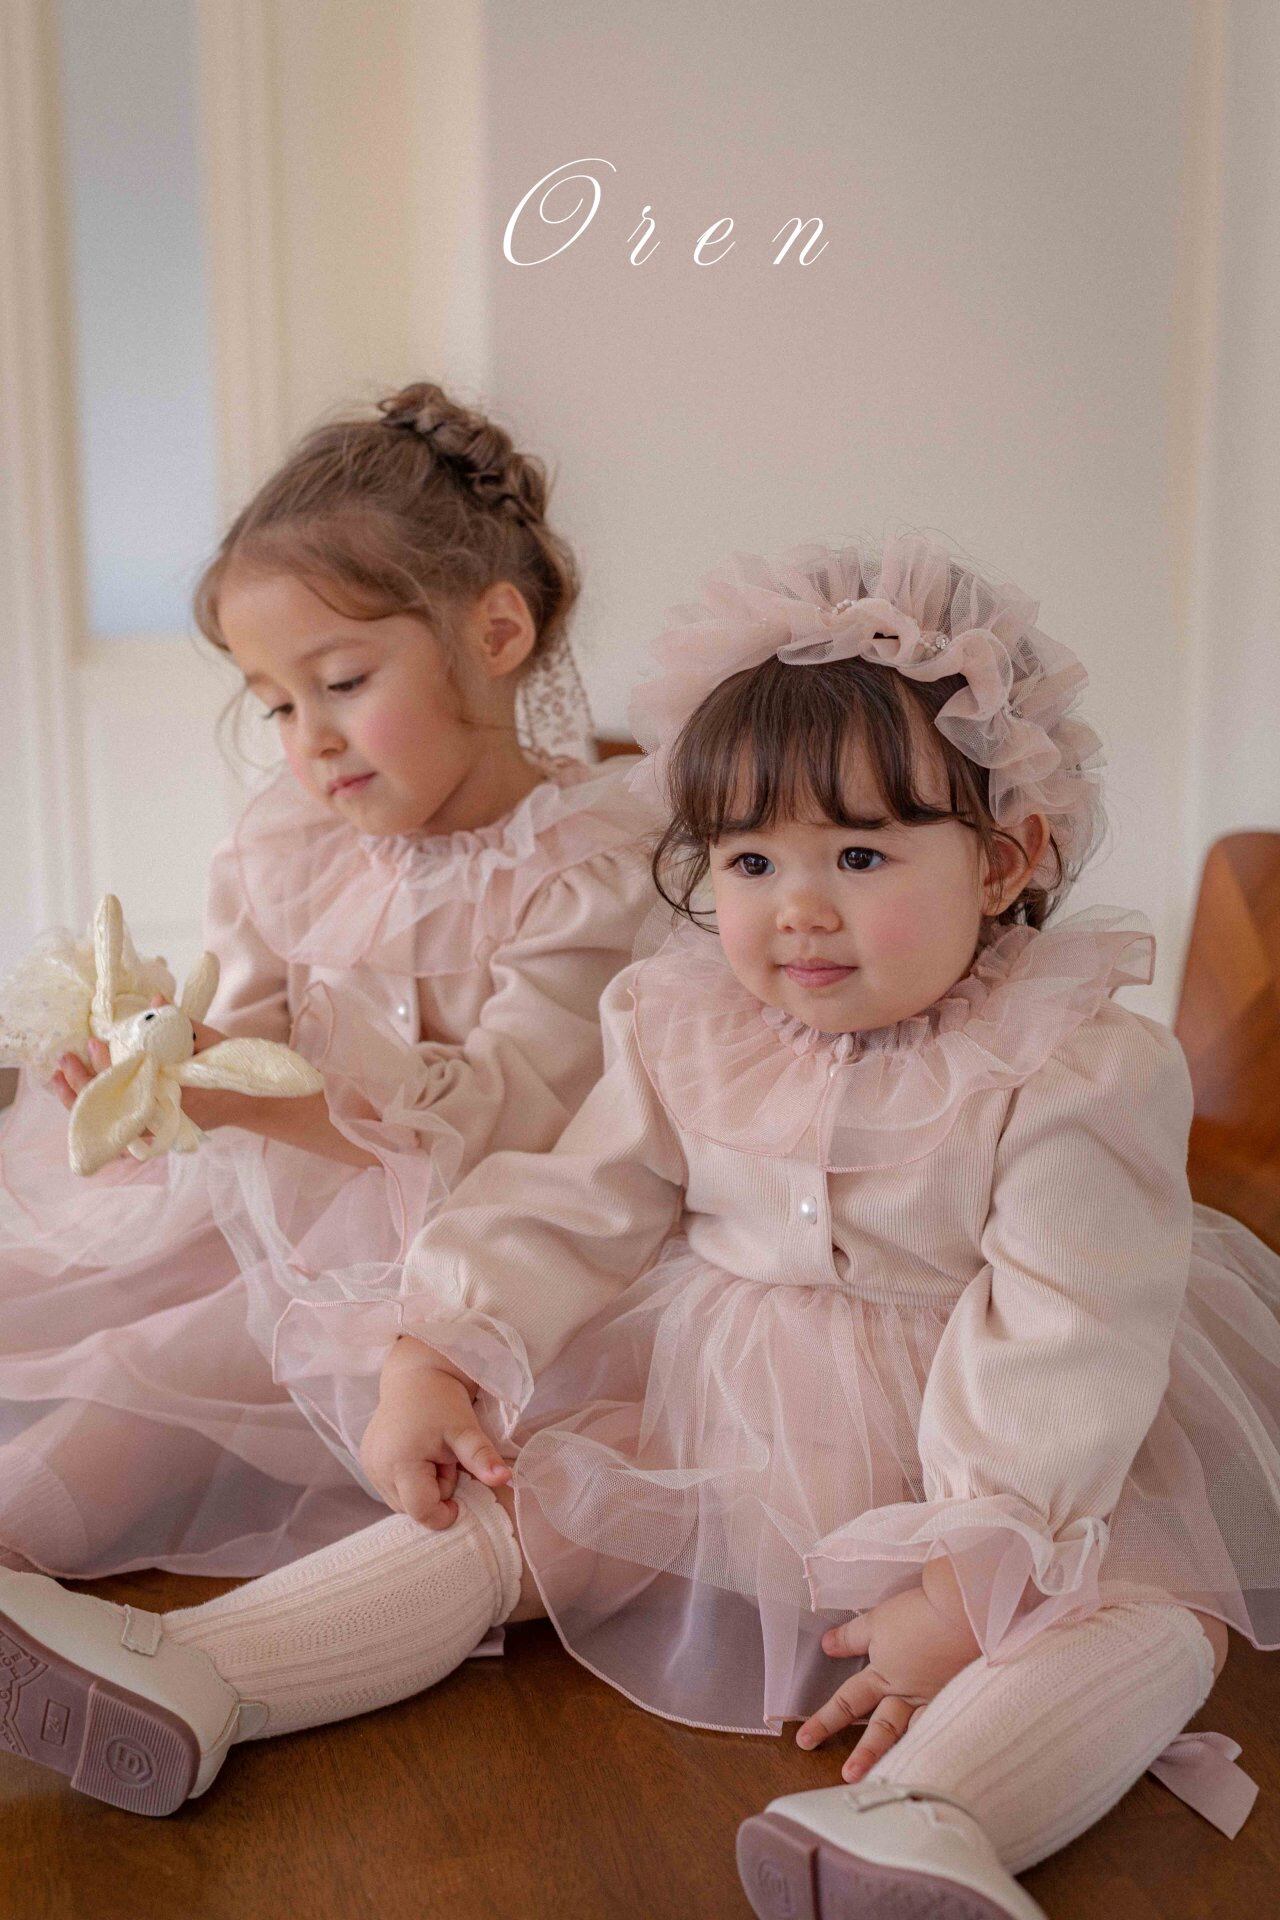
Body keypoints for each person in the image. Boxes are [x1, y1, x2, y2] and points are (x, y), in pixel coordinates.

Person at [4, 536, 1277, 1920]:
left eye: (859, 854)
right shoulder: (684, 1022)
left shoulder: (1076, 1062)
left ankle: (933, 1818)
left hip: (988, 1465)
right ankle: (213, 1671)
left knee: (1156, 1614)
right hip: (722, 1446)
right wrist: (441, 1347)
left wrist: (972, 1574)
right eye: (749, 859)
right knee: (518, 1500)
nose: (797, 910)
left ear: (1003, 859)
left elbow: (1067, 1327)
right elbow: (575, 1199)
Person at [0, 382, 657, 1582]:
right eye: (275, 705)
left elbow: (513, 1116)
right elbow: (235, 1026)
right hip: (276, 1221)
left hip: (473, 1257)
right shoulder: (292, 844)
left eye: (343, 682)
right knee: (84, 1323)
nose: (307, 736)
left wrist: (242, 1092)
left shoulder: (588, 869)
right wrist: (154, 1072)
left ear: (494, 635)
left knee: (161, 1381)